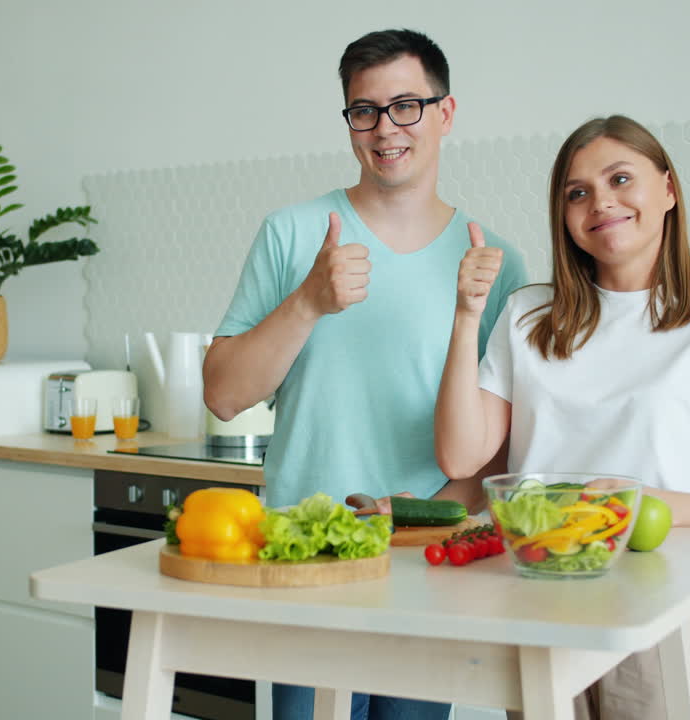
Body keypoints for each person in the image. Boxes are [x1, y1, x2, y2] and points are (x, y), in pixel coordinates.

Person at [203, 28, 528, 720]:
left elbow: (496, 447)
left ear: (446, 113)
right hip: (304, 564)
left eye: (407, 105)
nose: (386, 129)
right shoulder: (293, 234)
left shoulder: (497, 262)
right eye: (364, 110)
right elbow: (224, 394)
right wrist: (309, 303)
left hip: (425, 566)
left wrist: (409, 520)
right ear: (349, 120)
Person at [436, 114, 690, 720]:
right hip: (540, 611)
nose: (600, 202)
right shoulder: (528, 315)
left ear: (668, 189)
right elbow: (463, 458)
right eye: (577, 192)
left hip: (668, 616)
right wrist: (467, 315)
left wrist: (637, 505)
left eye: (620, 178)